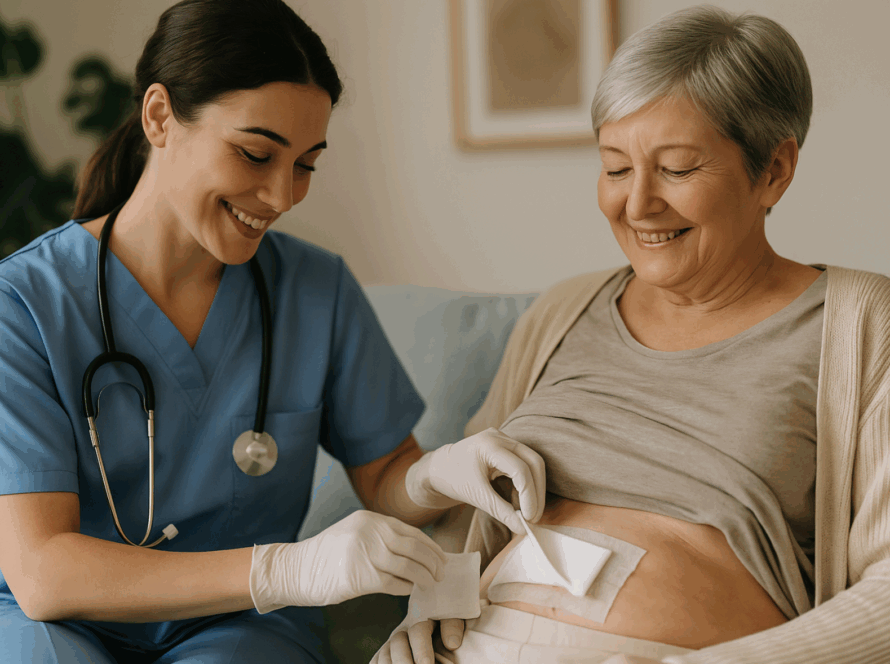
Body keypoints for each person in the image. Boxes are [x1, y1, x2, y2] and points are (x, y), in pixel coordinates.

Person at [0, 1, 546, 662]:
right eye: (255, 154)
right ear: (159, 117)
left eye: (306, 164)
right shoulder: (23, 305)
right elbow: (43, 573)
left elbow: (386, 477)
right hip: (64, 622)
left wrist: (439, 474)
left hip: (238, 627)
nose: (283, 196)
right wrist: (282, 570)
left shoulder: (315, 292)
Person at [373, 5, 890, 664]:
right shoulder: (565, 310)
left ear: (774, 171)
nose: (637, 203)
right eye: (616, 167)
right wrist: (432, 605)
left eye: (675, 168)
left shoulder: (863, 322)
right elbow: (461, 512)